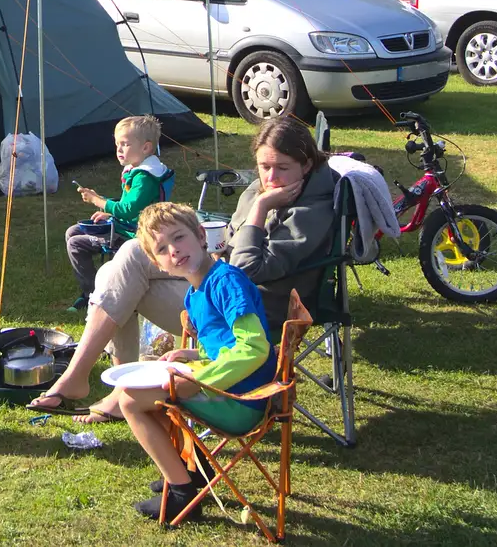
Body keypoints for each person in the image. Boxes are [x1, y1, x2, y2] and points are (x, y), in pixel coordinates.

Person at [28, 117, 334, 423]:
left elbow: (247, 269)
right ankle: (107, 386)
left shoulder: (310, 210)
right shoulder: (261, 190)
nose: (270, 177)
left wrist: (260, 210)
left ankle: (100, 386)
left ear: (306, 165)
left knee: (128, 269)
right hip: (217, 287)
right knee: (120, 267)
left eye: (282, 167)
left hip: (245, 314)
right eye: (264, 166)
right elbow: (232, 242)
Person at [117, 203, 276, 522]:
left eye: (179, 238)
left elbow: (254, 348)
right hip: (231, 391)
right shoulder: (195, 292)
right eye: (162, 248)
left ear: (201, 235)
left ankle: (181, 492)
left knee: (130, 400)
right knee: (144, 390)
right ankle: (190, 467)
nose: (174, 250)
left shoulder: (225, 281)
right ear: (157, 262)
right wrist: (194, 356)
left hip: (242, 401)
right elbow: (225, 347)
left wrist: (202, 381)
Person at [65, 115, 173, 312]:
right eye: (117, 144)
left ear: (146, 148)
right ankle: (94, 288)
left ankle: (92, 294)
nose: (119, 149)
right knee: (73, 231)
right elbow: (129, 204)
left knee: (75, 242)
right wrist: (106, 205)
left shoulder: (145, 177)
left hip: (135, 234)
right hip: (128, 224)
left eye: (125, 144)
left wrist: (98, 201)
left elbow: (128, 210)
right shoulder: (141, 169)